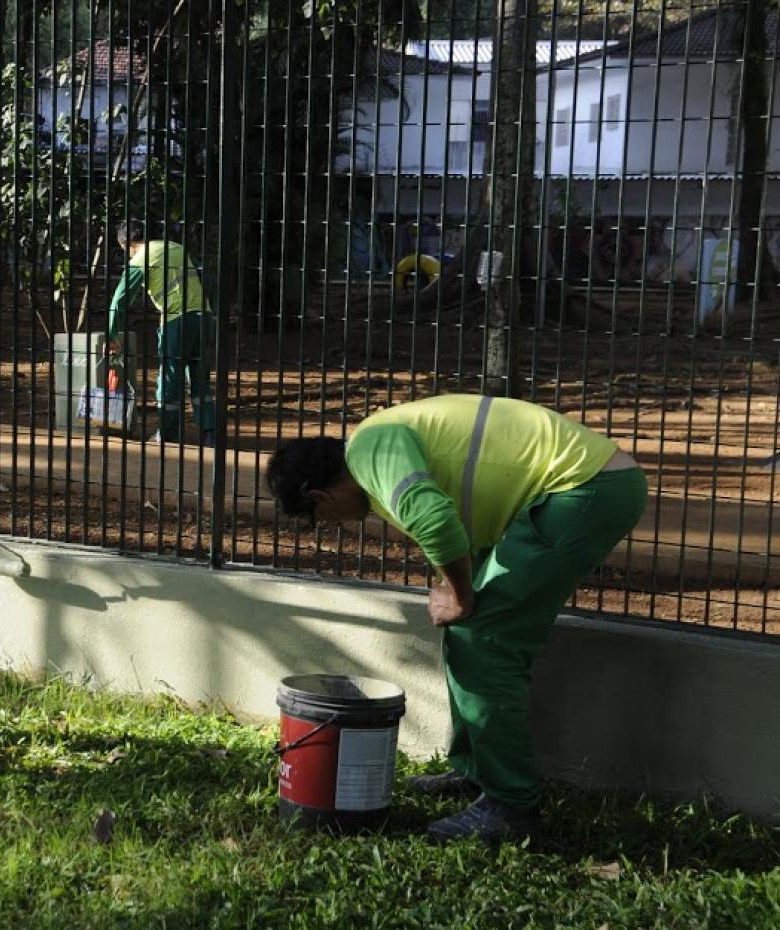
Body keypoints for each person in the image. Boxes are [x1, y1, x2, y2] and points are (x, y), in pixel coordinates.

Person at [264, 394, 647, 840]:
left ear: (319, 495)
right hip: (579, 485)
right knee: (470, 635)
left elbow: (437, 522)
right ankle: (476, 772)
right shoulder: (374, 451)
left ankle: (511, 807)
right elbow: (460, 517)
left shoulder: (370, 451)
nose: (334, 524)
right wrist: (459, 592)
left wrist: (461, 596)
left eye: (320, 518)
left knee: (482, 638)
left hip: (582, 488)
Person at [105, 221, 216, 446]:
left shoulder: (140, 259)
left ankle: (168, 434)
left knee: (169, 378)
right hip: (204, 318)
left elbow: (119, 299)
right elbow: (206, 279)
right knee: (200, 377)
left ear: (126, 244)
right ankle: (210, 433)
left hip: (177, 321)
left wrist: (112, 335)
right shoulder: (177, 247)